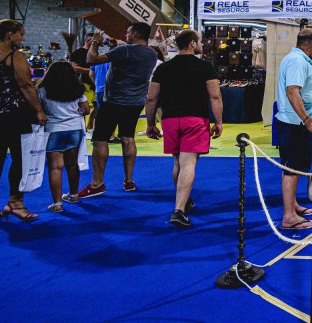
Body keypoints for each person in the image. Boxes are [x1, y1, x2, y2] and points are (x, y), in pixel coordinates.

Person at [143, 29, 223, 228]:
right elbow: (215, 96)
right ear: (192, 43)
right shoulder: (205, 67)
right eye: (200, 42)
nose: (202, 45)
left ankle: (184, 201)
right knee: (188, 164)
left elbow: (151, 99)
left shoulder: (163, 68)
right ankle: (179, 210)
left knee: (178, 162)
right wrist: (219, 122)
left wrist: (150, 124)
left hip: (170, 120)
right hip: (195, 120)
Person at [0, 19, 47, 222]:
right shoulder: (14, 56)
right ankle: (16, 202)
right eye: (20, 34)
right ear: (10, 35)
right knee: (20, 158)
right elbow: (26, 86)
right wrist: (39, 111)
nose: (22, 38)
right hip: (13, 114)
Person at [79, 23, 160, 198]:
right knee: (128, 138)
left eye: (128, 32)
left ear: (135, 34)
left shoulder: (125, 50)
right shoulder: (152, 53)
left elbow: (91, 60)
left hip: (113, 101)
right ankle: (129, 180)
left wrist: (95, 42)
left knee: (100, 140)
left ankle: (97, 183)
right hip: (135, 102)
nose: (125, 35)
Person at [275, 28, 312, 230]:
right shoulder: (297, 61)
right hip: (295, 123)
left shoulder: (297, 59)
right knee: (292, 169)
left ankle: (292, 205)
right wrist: (306, 119)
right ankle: (289, 217)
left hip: (294, 122)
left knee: (292, 167)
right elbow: (293, 92)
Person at [38, 61, 89, 213]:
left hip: (53, 130)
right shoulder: (78, 89)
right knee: (72, 164)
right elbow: (86, 110)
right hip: (74, 129)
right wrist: (75, 113)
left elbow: (38, 109)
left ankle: (57, 204)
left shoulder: (42, 90)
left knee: (55, 167)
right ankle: (73, 195)